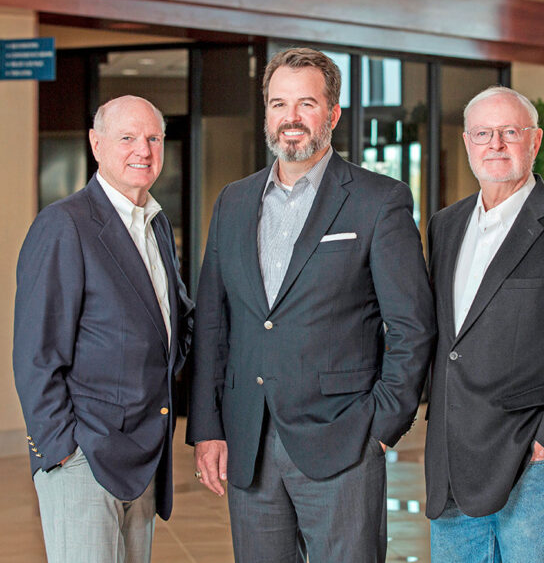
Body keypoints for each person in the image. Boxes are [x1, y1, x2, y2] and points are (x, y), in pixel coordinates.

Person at [186, 47, 435, 562]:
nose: (291, 118)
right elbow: (213, 323)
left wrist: (382, 427)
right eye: (279, 104)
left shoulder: (377, 200)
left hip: (343, 438)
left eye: (306, 103)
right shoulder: (233, 201)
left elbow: (413, 327)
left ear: (333, 113)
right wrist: (208, 428)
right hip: (249, 441)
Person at [423, 86, 544, 562]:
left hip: (530, 463)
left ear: (533, 143)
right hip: (452, 462)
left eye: (509, 132)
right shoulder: (444, 226)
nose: (496, 143)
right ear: (468, 142)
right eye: (483, 133)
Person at [13, 95, 193, 563]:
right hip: (84, 459)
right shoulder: (63, 226)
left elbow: (173, 329)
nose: (144, 150)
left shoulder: (154, 224)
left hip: (144, 458)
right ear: (96, 144)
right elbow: (36, 353)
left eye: (153, 138)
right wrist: (62, 451)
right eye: (127, 138)